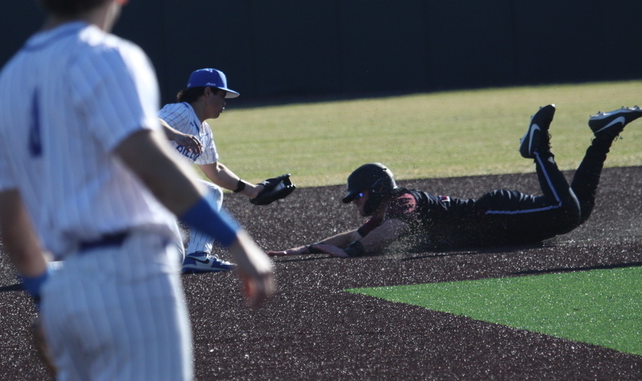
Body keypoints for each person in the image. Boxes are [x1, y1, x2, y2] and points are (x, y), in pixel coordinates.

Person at [0, 0, 275, 381]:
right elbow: (150, 161)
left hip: (65, 286)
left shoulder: (2, 90)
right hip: (133, 281)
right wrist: (237, 242)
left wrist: (50, 298)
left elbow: (15, 235)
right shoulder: (110, 57)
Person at [268, 104, 642, 258]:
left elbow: (375, 239)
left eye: (359, 195)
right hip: (500, 222)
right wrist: (306, 250)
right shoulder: (387, 210)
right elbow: (355, 236)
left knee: (565, 213)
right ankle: (604, 134)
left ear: (378, 189)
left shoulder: (403, 201)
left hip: (496, 213)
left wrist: (352, 251)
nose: (357, 203)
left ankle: (538, 146)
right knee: (578, 211)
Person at [158, 68, 267, 274]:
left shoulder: (204, 131)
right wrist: (176, 135)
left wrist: (253, 191)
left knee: (211, 191)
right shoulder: (182, 111)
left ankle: (198, 256)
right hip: (136, 189)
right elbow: (147, 122)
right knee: (168, 258)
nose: (224, 102)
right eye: (222, 95)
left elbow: (214, 171)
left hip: (163, 189)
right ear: (208, 92)